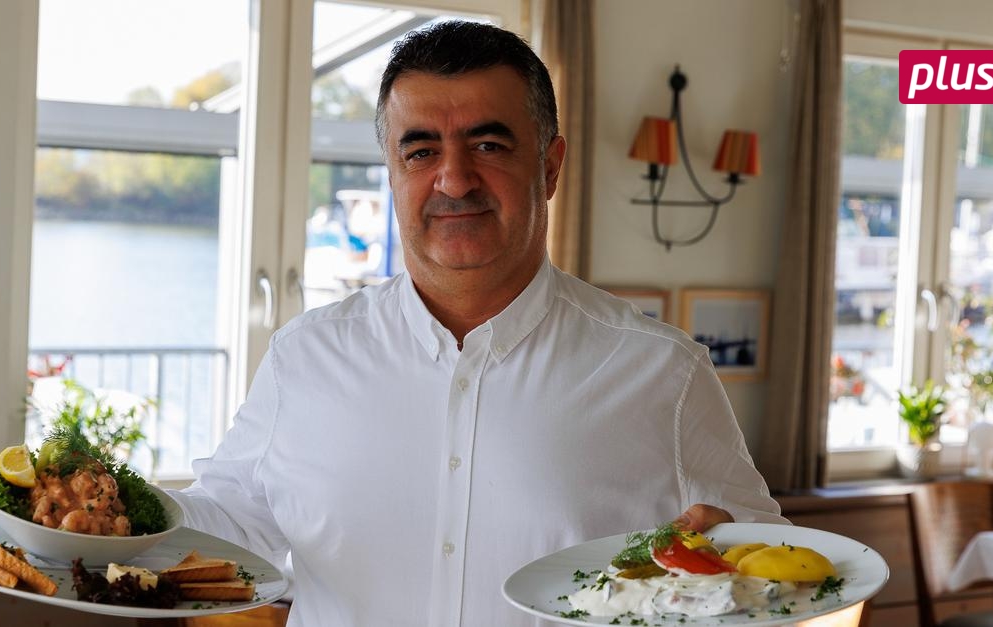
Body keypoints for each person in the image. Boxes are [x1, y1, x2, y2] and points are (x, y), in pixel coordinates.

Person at [167, 20, 785, 627]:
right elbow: (230, 523)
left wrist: (730, 561)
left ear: (550, 166)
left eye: (489, 146)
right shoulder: (302, 358)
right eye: (421, 150)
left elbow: (776, 569)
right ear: (392, 171)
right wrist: (102, 509)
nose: (454, 179)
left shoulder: (664, 375)